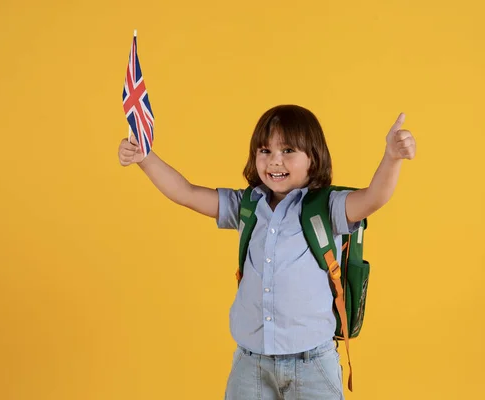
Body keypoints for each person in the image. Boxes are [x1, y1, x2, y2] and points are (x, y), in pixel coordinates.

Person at [117, 104, 416, 399]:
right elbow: (185, 193)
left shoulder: (327, 207)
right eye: (265, 151)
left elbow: (374, 198)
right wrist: (145, 158)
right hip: (251, 363)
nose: (274, 161)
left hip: (311, 364)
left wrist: (392, 158)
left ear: (313, 157)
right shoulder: (247, 205)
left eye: (287, 151)